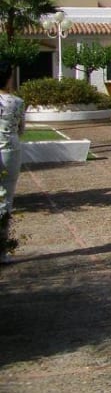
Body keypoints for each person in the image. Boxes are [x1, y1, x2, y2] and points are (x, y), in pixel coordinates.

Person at [0, 61, 25, 254]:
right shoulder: (16, 102)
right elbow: (21, 129)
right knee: (6, 198)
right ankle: (3, 247)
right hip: (10, 150)